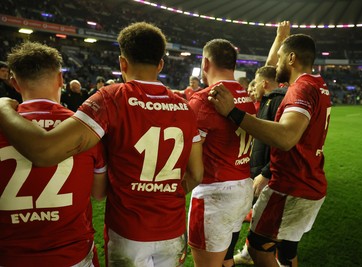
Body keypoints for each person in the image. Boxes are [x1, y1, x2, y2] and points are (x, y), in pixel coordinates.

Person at [0, 22, 204, 267]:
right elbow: (196, 173)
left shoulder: (111, 97)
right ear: (161, 65)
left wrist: (3, 107)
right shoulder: (185, 107)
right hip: (171, 228)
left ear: (122, 63)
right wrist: (162, 195)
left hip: (129, 230)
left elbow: (45, 151)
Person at [209, 30, 331, 267]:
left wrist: (234, 114)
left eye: (281, 57)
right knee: (281, 248)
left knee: (258, 248)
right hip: (308, 182)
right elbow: (268, 68)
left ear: (292, 59)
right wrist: (278, 40)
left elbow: (286, 137)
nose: (276, 65)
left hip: (291, 186)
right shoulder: (318, 85)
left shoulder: (301, 89)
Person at [0, 42, 107, 266]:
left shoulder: (4, 120)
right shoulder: (84, 128)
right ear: (60, 79)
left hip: (10, 255)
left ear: (14, 83)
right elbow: (99, 193)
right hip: (71, 254)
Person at [187, 38, 256, 267]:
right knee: (226, 261)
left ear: (205, 63)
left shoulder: (205, 99)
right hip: (242, 187)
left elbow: (189, 155)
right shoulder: (246, 96)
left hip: (214, 195)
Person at [234, 66, 287, 266]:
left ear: (264, 83)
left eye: (254, 83)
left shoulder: (277, 101)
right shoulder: (267, 100)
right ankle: (249, 253)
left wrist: (266, 172)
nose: (251, 88)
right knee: (258, 218)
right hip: (263, 172)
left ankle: (279, 259)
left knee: (270, 230)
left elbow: (282, 142)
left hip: (271, 176)